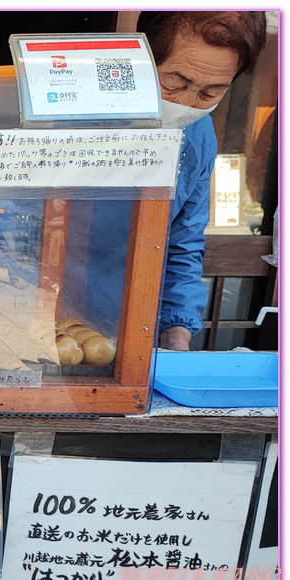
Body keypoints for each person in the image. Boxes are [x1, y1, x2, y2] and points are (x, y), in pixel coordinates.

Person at [138, 11, 267, 350]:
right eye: (174, 83)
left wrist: (177, 329)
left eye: (211, 92)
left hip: (137, 323)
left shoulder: (198, 133)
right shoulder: (79, 116)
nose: (186, 103)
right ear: (141, 56)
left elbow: (183, 239)